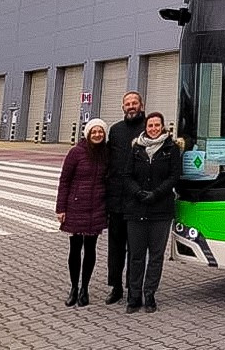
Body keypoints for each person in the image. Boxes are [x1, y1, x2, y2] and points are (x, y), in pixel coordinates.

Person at [123, 111, 181, 313]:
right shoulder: (136, 148)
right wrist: (138, 193)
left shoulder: (170, 149)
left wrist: (156, 194)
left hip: (160, 210)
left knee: (156, 256)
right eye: (150, 126)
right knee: (136, 256)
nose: (154, 129)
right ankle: (134, 296)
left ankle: (150, 295)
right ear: (145, 128)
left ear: (163, 127)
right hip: (136, 209)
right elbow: (127, 175)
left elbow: (174, 176)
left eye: (157, 125)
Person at [55, 118, 109, 307]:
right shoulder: (76, 152)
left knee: (91, 249)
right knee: (75, 249)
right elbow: (65, 181)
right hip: (76, 206)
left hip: (97, 207)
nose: (97, 135)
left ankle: (85, 288)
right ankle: (74, 288)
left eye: (100, 132)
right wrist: (60, 208)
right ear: (87, 134)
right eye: (94, 132)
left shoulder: (106, 153)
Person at [104, 91, 147, 305]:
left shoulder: (149, 128)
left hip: (138, 200)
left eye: (134, 103)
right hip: (116, 201)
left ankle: (134, 287)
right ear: (123, 107)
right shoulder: (115, 130)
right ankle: (116, 286)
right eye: (127, 104)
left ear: (142, 105)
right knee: (116, 246)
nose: (131, 106)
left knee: (136, 248)